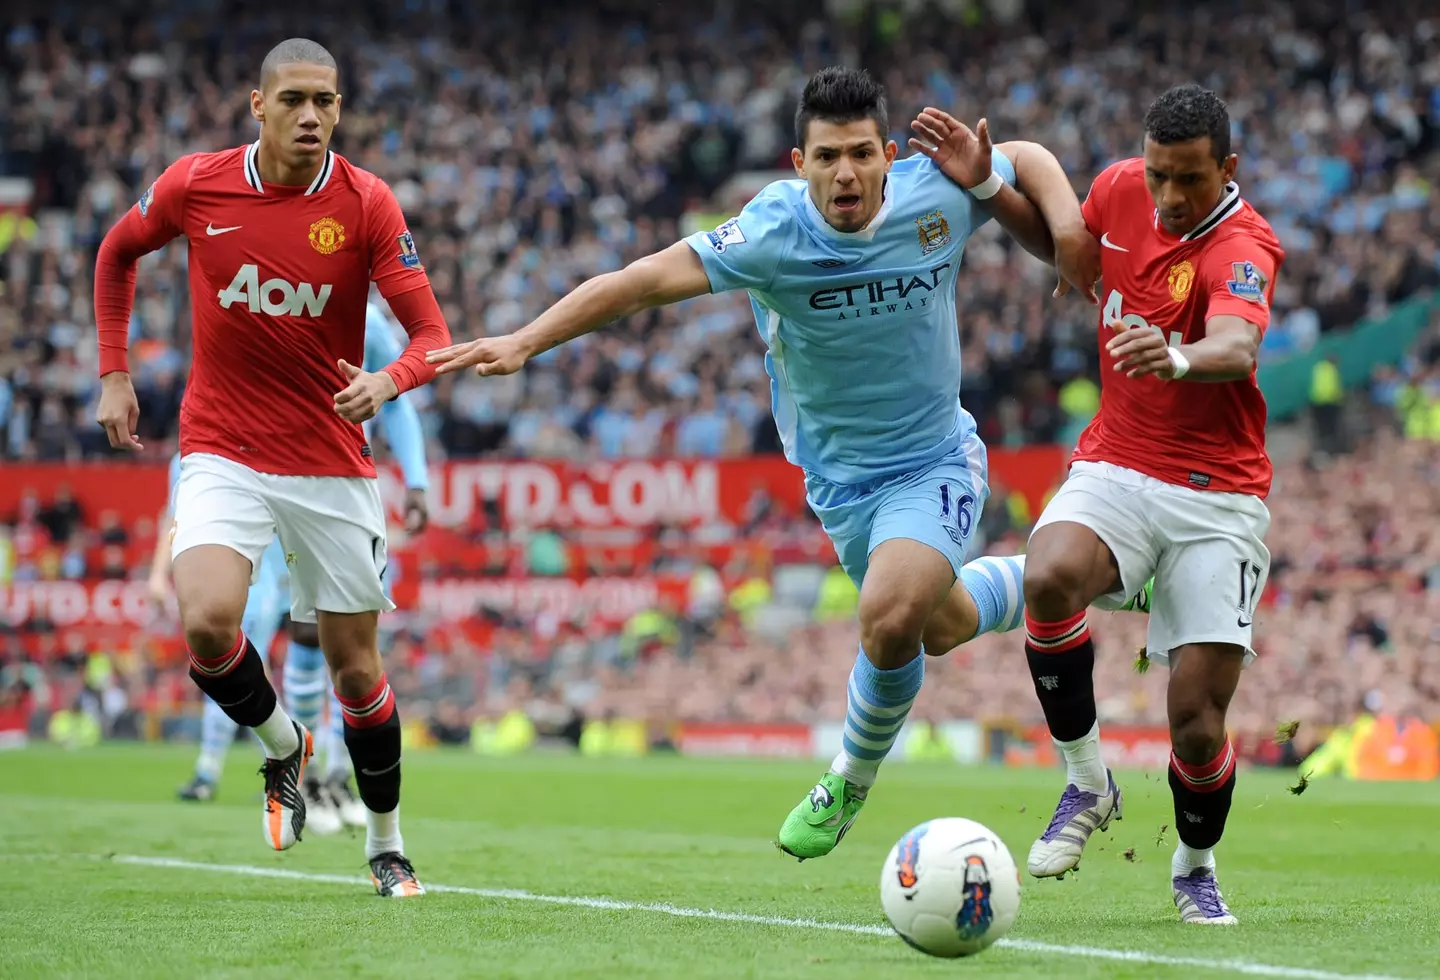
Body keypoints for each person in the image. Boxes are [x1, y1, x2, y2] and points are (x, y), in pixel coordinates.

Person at [427, 66, 1100, 861]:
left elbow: (1028, 156)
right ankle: (1090, 576)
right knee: (939, 624)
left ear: (889, 154)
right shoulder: (771, 231)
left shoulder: (937, 192)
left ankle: (848, 775)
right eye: (825, 158)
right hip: (840, 484)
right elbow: (641, 283)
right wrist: (525, 339)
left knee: (889, 615)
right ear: (797, 162)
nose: (844, 173)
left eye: (858, 154)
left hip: (934, 458)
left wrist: (1067, 233)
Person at [94, 37, 449, 898]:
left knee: (358, 671)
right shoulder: (197, 184)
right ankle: (287, 749)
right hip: (224, 448)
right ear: (258, 106)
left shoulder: (366, 204)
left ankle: (385, 841)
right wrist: (113, 370)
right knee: (210, 622)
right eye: (293, 99)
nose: (311, 117)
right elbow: (116, 252)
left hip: (330, 461)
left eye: (325, 101)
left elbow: (432, 337)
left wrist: (387, 379)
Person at [1018, 84, 1285, 925]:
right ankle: (1087, 782)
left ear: (1228, 169)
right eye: (1161, 173)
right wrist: (993, 193)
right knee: (1049, 575)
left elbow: (1237, 345)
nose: (1170, 196)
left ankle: (1194, 865)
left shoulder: (1245, 243)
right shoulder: (1121, 186)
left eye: (1191, 180)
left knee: (1197, 726)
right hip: (1121, 463)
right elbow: (1074, 252)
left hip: (1219, 496)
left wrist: (1174, 356)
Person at [156, 302, 432, 838]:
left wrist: (416, 481)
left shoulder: (363, 319)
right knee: (245, 631)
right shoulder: (244, 294)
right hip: (250, 488)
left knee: (334, 644)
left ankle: (327, 774)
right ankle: (291, 767)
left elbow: (394, 399)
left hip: (330, 489)